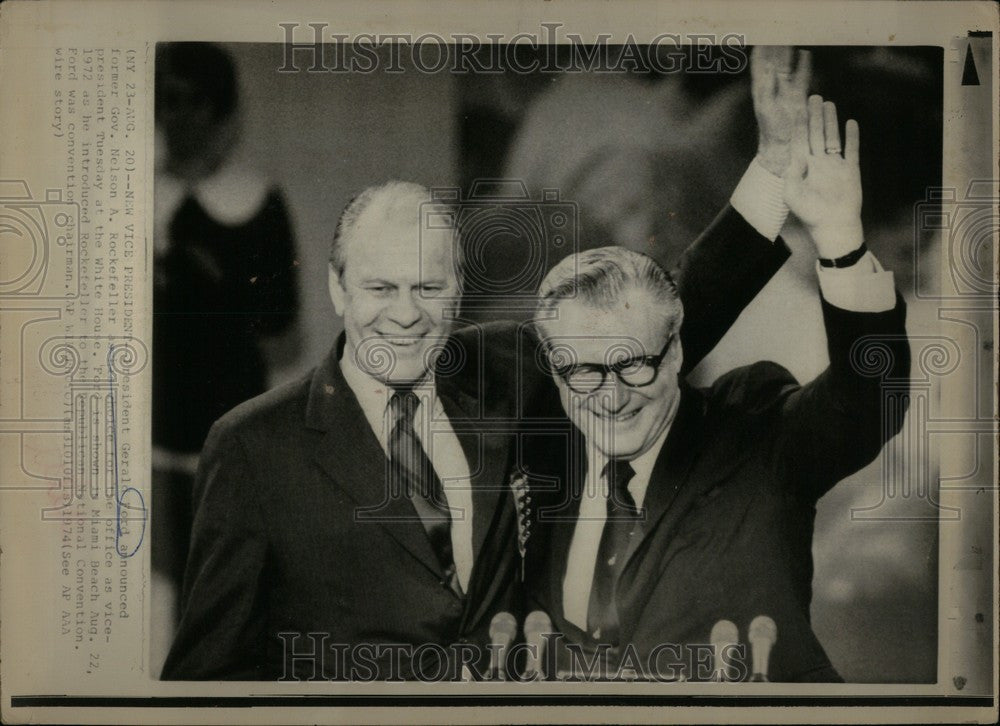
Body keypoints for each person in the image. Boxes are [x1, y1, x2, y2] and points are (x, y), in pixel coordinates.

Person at [161, 48, 808, 681]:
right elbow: (208, 673)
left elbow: (671, 312)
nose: (407, 314)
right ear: (338, 291)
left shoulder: (506, 372)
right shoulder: (253, 447)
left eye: (430, 288)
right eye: (382, 289)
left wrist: (773, 175)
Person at [521, 96, 910, 682]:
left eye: (636, 366)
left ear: (676, 352)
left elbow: (864, 404)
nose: (612, 395)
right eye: (584, 372)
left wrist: (840, 241)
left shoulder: (749, 435)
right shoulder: (539, 464)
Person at [151, 42, 299, 670]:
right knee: (154, 608)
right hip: (150, 440)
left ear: (223, 112)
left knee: (224, 599)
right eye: (167, 101)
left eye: (194, 102)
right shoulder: (135, 198)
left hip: (228, 432)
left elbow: (281, 325)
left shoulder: (258, 202)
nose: (179, 118)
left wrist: (208, 272)